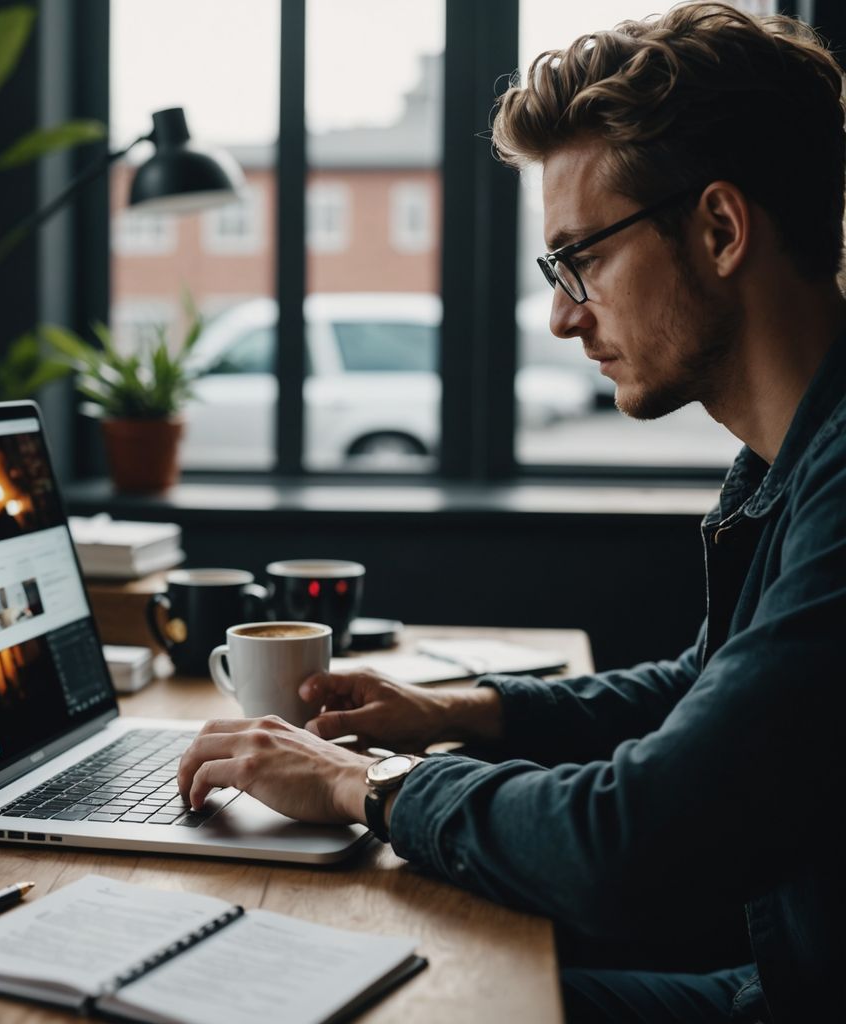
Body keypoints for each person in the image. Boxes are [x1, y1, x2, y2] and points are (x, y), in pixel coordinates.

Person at [178, 4, 846, 1020]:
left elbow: (637, 842)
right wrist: (453, 710)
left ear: (718, 228)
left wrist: (366, 785)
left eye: (581, 257)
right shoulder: (782, 458)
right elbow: (705, 694)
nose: (561, 314)